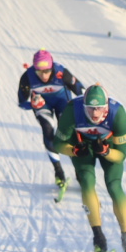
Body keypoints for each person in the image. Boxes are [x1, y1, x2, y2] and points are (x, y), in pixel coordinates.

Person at [52, 83, 126, 252]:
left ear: (106, 107)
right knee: (86, 182)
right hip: (81, 145)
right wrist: (74, 151)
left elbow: (121, 156)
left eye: (99, 108)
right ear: (83, 107)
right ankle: (98, 236)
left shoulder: (118, 114)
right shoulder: (71, 111)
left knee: (114, 186)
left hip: (108, 146)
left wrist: (106, 152)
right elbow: (58, 144)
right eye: (90, 109)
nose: (95, 114)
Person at [17, 49, 86, 197]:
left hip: (63, 104)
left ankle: (79, 172)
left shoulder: (62, 73)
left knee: (68, 134)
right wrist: (33, 105)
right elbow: (21, 103)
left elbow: (82, 91)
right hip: (43, 106)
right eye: (39, 72)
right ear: (34, 69)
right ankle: (58, 172)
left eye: (47, 71)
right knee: (48, 131)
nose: (43, 75)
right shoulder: (27, 77)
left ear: (52, 67)